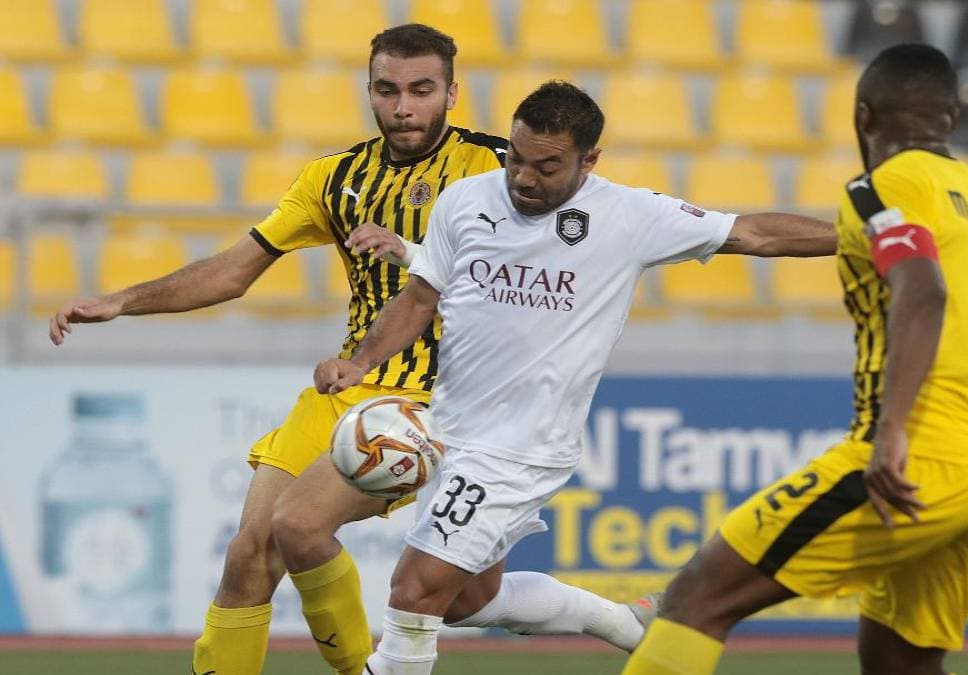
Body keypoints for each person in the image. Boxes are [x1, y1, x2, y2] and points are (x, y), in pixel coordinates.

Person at [50, 24, 647, 675]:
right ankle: (621, 619)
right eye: (388, 89)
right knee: (252, 552)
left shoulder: (503, 168)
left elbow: (579, 254)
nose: (403, 106)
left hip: (448, 404)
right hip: (351, 387)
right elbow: (234, 270)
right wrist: (122, 301)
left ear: (451, 94)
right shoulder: (334, 178)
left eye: (421, 89)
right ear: (369, 91)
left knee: (328, 537)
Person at [309, 80, 837, 675]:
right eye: (516, 158)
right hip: (447, 434)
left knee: (412, 594)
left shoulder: (629, 215)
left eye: (547, 166)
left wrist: (863, 240)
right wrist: (360, 362)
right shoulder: (465, 201)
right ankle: (631, 625)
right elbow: (420, 297)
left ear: (590, 161)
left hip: (520, 450)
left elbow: (754, 233)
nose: (524, 179)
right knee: (464, 603)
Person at [624, 43, 968, 675]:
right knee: (897, 659)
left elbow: (923, 290)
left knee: (698, 597)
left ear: (863, 118)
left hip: (921, 458)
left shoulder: (879, 186)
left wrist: (893, 429)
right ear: (950, 121)